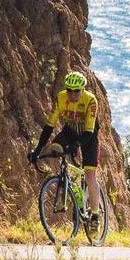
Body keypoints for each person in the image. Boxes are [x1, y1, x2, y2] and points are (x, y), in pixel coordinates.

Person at [29, 69, 102, 217]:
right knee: (54, 149)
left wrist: (76, 145)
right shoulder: (61, 98)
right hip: (70, 131)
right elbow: (49, 126)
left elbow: (88, 131)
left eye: (76, 91)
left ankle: (95, 215)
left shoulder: (90, 100)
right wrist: (37, 150)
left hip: (89, 134)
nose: (73, 94)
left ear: (82, 90)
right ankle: (63, 181)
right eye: (69, 90)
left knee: (89, 175)